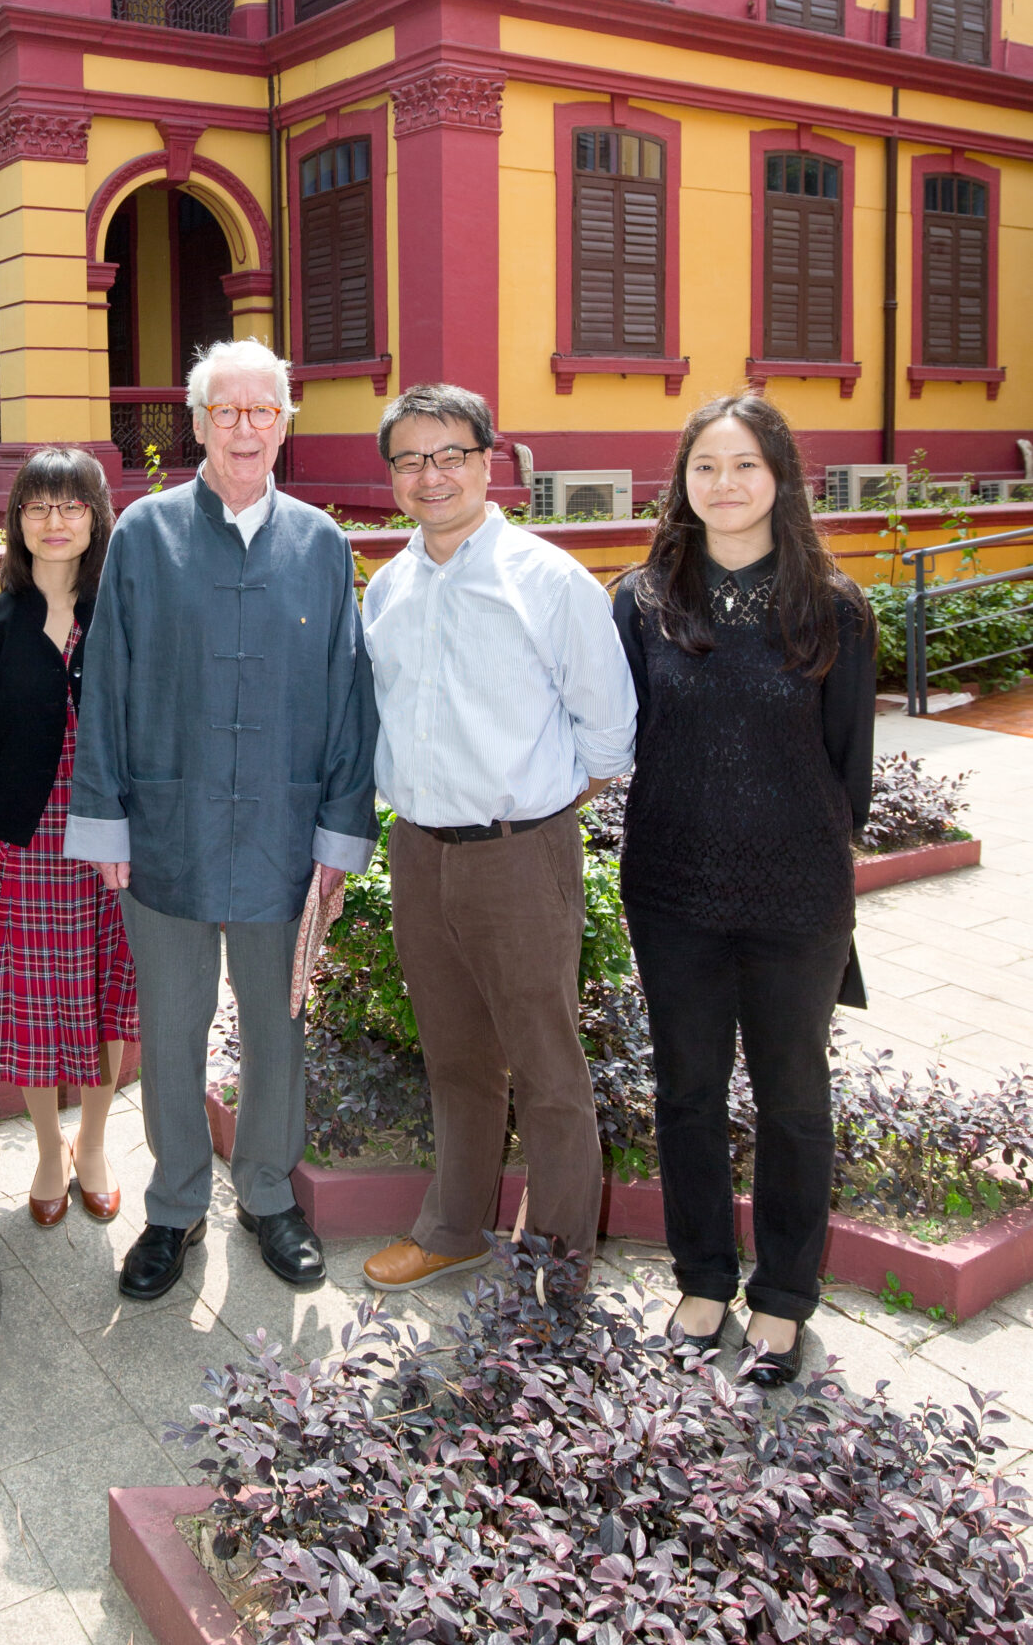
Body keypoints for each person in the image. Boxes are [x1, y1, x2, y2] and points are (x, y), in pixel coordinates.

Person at [65, 336, 378, 1301]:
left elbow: (348, 693)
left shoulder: (320, 544)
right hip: (166, 825)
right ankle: (173, 1209)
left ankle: (268, 1195)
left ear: (285, 424)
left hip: (283, 832)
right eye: (226, 411)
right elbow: (104, 682)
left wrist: (339, 834)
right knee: (171, 1025)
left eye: (263, 411)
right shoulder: (145, 534)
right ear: (197, 424)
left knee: (278, 1023)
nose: (246, 428)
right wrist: (104, 821)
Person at [611, 393, 876, 1385]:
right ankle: (702, 1281)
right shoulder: (640, 602)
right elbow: (618, 733)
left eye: (744, 465)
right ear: (682, 482)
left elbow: (849, 768)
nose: (723, 483)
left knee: (793, 1098)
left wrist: (803, 858)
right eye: (705, 466)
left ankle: (783, 1299)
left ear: (780, 477)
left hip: (796, 899)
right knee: (685, 1091)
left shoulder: (833, 606)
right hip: (672, 890)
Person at [357, 383, 638, 1296]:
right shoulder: (388, 587)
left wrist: (533, 812)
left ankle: (557, 1265)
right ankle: (452, 1230)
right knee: (454, 1057)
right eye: (409, 459)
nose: (430, 475)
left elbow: (609, 733)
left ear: (489, 462)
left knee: (547, 1066)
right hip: (418, 851)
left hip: (521, 853)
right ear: (392, 474)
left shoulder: (547, 581)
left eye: (450, 454)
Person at [0, 448, 137, 1225]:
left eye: (72, 505)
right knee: (31, 1001)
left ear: (97, 518)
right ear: (17, 519)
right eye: (37, 506)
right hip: (24, 841)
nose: (54, 521)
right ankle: (46, 1149)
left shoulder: (123, 617)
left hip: (112, 839)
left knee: (103, 994)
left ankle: (91, 1141)